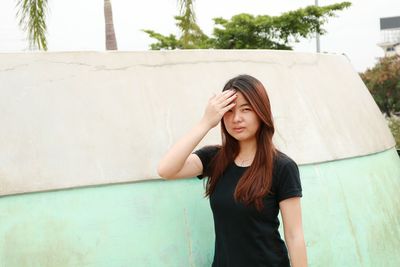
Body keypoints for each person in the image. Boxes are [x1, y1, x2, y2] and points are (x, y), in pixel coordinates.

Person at [157, 74, 307, 267]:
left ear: (261, 112)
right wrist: (206, 122)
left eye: (246, 109)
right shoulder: (215, 159)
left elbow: (294, 235)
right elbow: (166, 170)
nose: (236, 118)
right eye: (229, 111)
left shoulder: (282, 167)